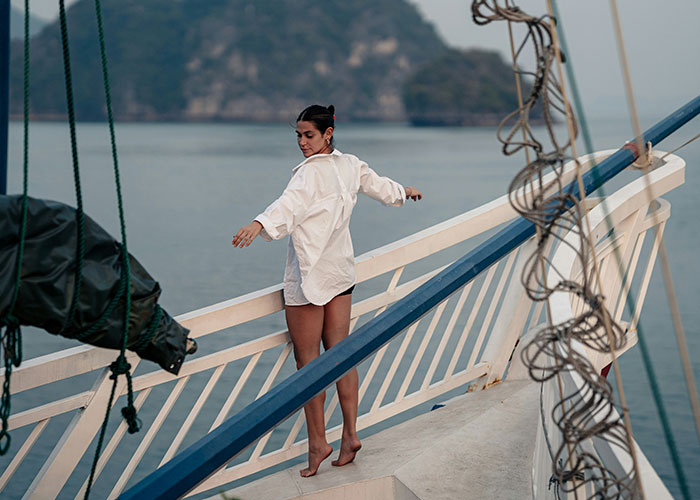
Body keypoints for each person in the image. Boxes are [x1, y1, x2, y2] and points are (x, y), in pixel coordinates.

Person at [232, 104, 422, 477]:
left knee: (309, 365)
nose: (302, 143)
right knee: (342, 355)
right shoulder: (350, 164)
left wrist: (258, 223)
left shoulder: (307, 176)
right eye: (299, 136)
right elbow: (380, 186)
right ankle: (350, 435)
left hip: (309, 278)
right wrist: (404, 191)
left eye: (309, 135)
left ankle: (318, 443)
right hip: (340, 273)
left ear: (327, 134)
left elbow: (287, 207)